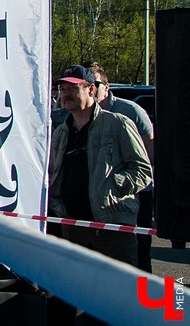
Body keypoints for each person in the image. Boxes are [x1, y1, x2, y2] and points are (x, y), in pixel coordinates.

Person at [49, 64, 151, 267]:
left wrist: (112, 187)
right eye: (63, 89)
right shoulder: (61, 132)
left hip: (112, 228)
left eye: (73, 88)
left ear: (91, 90)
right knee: (78, 293)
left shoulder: (118, 123)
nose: (66, 94)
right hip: (73, 227)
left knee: (121, 292)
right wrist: (60, 208)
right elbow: (54, 174)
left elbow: (142, 170)